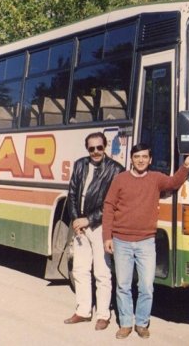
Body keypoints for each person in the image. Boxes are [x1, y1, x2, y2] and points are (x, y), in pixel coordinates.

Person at [102, 144, 189, 339]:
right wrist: (107, 237)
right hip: (121, 241)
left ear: (150, 160)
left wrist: (186, 166)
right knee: (123, 285)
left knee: (146, 286)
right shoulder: (120, 179)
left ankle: (142, 323)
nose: (141, 160)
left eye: (145, 157)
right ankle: (126, 323)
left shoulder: (156, 178)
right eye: (137, 157)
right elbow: (109, 207)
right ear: (131, 159)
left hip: (146, 241)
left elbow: (173, 183)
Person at [63, 132, 125, 330]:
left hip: (100, 227)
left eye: (99, 147)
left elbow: (112, 203)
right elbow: (72, 193)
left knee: (102, 272)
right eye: (92, 149)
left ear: (105, 147)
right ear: (87, 149)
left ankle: (103, 315)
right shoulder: (80, 165)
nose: (96, 152)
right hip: (81, 227)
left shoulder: (115, 170)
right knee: (80, 269)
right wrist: (76, 220)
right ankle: (83, 311)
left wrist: (88, 220)